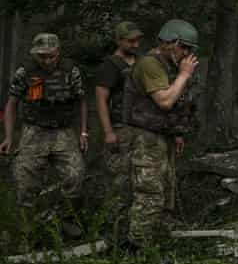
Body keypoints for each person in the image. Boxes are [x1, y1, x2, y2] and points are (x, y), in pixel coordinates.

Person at [0, 33, 88, 235]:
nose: (47, 60)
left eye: (51, 55)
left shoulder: (70, 71)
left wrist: (83, 132)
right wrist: (9, 137)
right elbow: (12, 104)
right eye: (42, 56)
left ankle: (66, 221)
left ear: (58, 52)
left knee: (75, 175)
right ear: (35, 54)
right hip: (34, 131)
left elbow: (82, 100)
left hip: (63, 132)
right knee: (25, 181)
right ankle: (27, 230)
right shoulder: (25, 72)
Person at [122, 19, 199, 246]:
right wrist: (184, 75)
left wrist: (178, 132)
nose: (186, 53)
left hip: (162, 135)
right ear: (169, 42)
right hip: (145, 137)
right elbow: (164, 101)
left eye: (189, 49)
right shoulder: (150, 64)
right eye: (183, 47)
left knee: (166, 192)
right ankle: (136, 245)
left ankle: (158, 241)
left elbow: (179, 103)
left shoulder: (171, 65)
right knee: (149, 192)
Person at [95, 21, 143, 231]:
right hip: (119, 127)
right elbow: (101, 100)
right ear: (119, 40)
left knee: (138, 178)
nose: (135, 44)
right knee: (119, 180)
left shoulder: (142, 62)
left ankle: (135, 225)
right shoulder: (110, 65)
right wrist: (108, 132)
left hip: (141, 127)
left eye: (137, 40)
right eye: (130, 41)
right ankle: (112, 227)